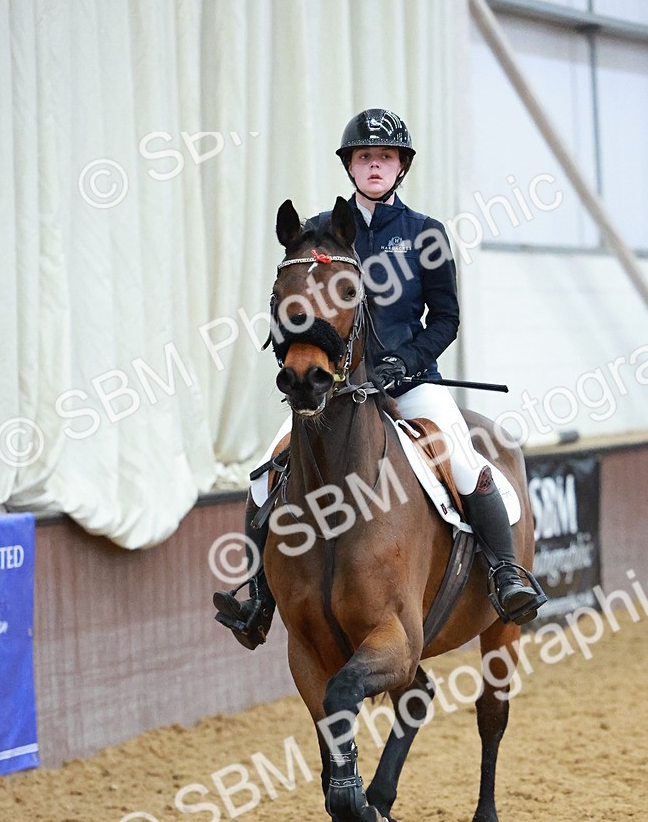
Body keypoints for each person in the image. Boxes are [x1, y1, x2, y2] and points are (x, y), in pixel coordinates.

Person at [214, 108, 547, 648]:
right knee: (265, 473)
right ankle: (256, 595)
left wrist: (404, 362)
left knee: (463, 462)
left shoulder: (426, 234)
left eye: (385, 157)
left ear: (400, 167)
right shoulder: (322, 232)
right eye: (365, 157)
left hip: (412, 382)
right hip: (335, 387)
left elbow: (445, 320)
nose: (374, 165)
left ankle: (507, 573)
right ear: (350, 165)